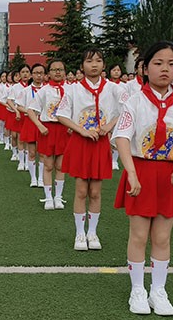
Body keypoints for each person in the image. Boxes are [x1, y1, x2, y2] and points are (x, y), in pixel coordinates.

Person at [113, 41, 173, 316]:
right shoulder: (134, 101)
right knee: (139, 234)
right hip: (142, 172)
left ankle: (158, 289)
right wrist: (131, 171)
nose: (165, 69)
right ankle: (137, 290)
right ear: (145, 68)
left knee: (163, 236)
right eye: (158, 63)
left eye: (171, 63)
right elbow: (121, 136)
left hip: (170, 175)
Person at [56, 49, 124, 251]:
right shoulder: (73, 89)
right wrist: (82, 131)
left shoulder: (113, 89)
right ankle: (79, 233)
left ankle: (92, 232)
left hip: (100, 143)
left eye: (99, 60)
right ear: (81, 66)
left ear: (104, 65)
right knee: (81, 190)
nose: (94, 64)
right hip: (80, 142)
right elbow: (62, 114)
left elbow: (125, 110)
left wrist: (108, 126)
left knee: (95, 191)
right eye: (89, 61)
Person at [31, 59, 69, 210]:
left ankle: (58, 197)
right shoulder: (44, 91)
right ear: (48, 74)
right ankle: (48, 198)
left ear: (65, 72)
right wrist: (40, 125)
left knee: (60, 165)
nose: (57, 72)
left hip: (64, 130)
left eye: (60, 69)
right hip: (48, 129)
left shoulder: (71, 90)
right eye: (54, 70)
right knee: (48, 165)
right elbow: (31, 110)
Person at [19, 63, 45, 187]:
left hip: (44, 122)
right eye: (35, 73)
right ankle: (33, 178)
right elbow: (19, 106)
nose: (38, 76)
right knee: (32, 152)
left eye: (41, 73)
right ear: (31, 75)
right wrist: (30, 112)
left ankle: (41, 178)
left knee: (43, 152)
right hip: (30, 122)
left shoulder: (48, 90)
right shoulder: (26, 91)